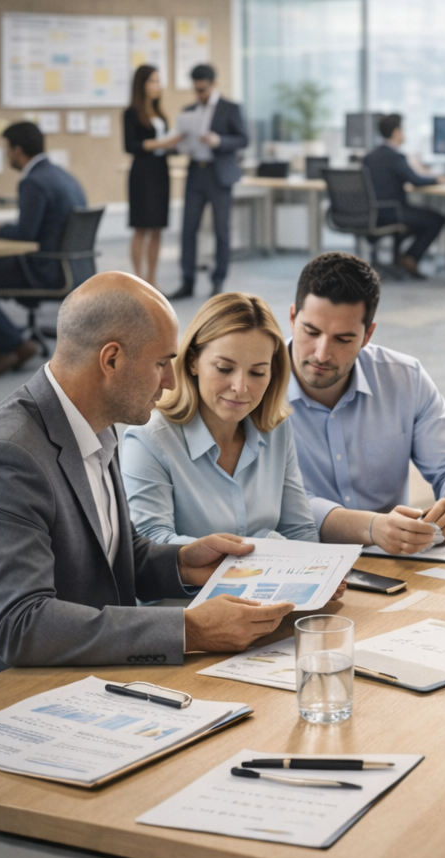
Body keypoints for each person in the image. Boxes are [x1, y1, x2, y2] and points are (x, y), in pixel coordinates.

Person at [0, 272, 299, 684]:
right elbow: (22, 624)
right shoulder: (7, 454)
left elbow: (108, 560)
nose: (172, 382)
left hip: (97, 673)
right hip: (12, 695)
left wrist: (181, 562)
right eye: (162, 363)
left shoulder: (98, 423)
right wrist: (189, 629)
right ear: (111, 360)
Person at [287, 252, 445, 555]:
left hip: (392, 569)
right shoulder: (253, 387)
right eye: (311, 332)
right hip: (300, 567)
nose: (321, 353)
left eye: (343, 339)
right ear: (293, 318)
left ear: (367, 335)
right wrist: (371, 527)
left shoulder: (403, 378)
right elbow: (279, 506)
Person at [122, 292, 318, 545]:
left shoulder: (277, 429)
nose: (241, 387)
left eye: (257, 373)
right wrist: (260, 547)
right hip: (192, 586)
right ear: (193, 362)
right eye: (224, 368)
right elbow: (152, 543)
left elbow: (300, 531)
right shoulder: (149, 438)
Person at [0, 121, 87, 377]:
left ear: (17, 150)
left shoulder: (33, 181)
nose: (7, 154)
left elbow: (25, 235)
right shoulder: (62, 174)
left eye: (7, 149)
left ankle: (13, 346)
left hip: (43, 268)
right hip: (70, 265)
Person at [171, 64, 248, 300]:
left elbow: (244, 139)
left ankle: (218, 281)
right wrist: (179, 144)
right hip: (196, 172)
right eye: (196, 90)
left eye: (203, 89)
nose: (199, 94)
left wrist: (219, 141)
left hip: (219, 174)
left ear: (213, 84)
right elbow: (181, 141)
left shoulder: (230, 108)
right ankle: (187, 280)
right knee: (188, 229)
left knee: (221, 230)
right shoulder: (189, 111)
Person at [362, 113, 445, 279]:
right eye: (403, 130)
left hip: (373, 213)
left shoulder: (369, 157)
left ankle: (403, 257)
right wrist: (438, 179)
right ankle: (410, 258)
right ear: (396, 132)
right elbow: (415, 180)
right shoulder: (395, 157)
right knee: (437, 219)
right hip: (394, 212)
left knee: (420, 220)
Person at [123, 65, 176, 287]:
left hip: (161, 171)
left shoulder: (160, 113)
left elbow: (166, 145)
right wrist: (162, 143)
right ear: (141, 85)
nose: (157, 86)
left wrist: (175, 145)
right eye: (152, 81)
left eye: (158, 81)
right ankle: (138, 278)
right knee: (141, 227)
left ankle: (151, 279)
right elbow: (130, 145)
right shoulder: (131, 113)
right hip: (142, 173)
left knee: (157, 228)